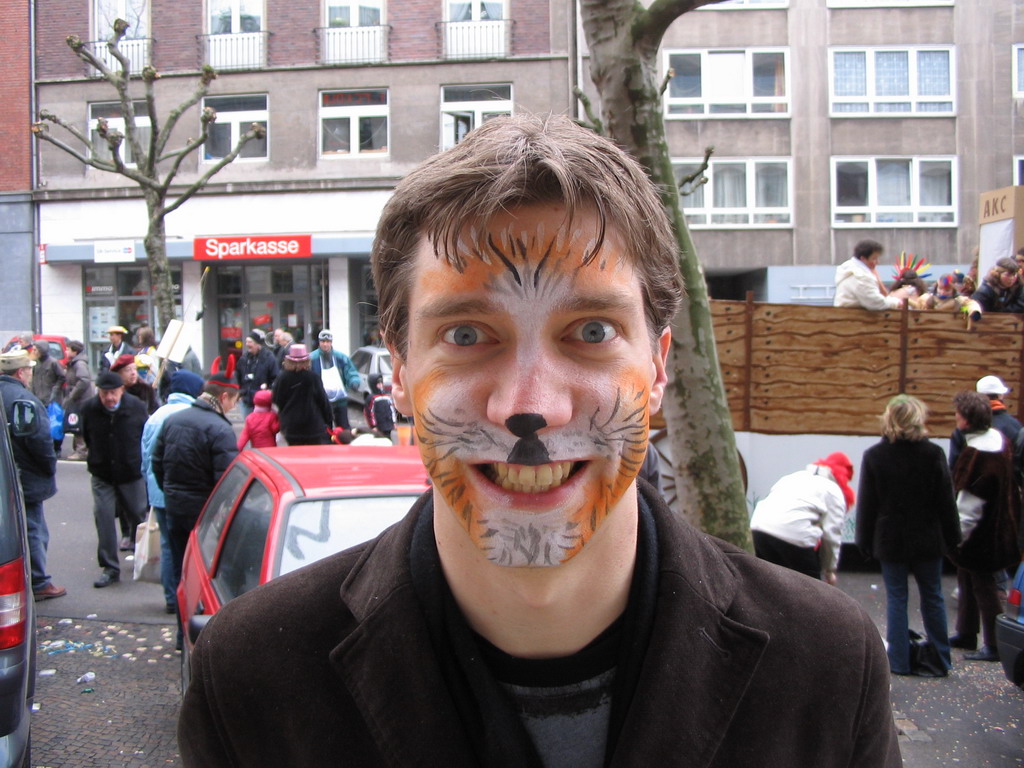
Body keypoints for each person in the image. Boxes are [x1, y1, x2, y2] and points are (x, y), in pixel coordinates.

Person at [179, 114, 900, 767]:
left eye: (591, 332)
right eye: (466, 334)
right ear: (399, 373)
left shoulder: (829, 665)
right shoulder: (250, 679)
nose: (531, 407)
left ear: (656, 368)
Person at [856, 395, 961, 676]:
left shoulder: (875, 456)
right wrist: (953, 538)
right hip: (928, 536)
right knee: (933, 596)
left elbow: (868, 504)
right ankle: (940, 659)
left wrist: (863, 543)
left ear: (889, 419)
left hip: (891, 539)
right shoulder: (934, 454)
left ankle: (899, 661)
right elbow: (946, 502)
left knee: (897, 599)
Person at [153, 373, 240, 647]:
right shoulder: (219, 428)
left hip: (176, 507)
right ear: (223, 397)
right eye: (234, 401)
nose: (234, 408)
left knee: (181, 569)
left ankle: (182, 635)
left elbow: (157, 462)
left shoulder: (173, 420)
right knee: (206, 577)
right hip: (205, 513)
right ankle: (204, 639)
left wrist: (171, 492)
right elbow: (226, 480)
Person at [948, 390, 1021, 662]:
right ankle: (966, 632)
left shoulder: (976, 455)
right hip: (1001, 525)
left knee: (984, 586)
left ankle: (993, 644)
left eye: (957, 414)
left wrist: (956, 537)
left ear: (965, 420)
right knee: (967, 578)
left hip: (982, 534)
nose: (955, 418)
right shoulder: (998, 440)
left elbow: (969, 505)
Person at [0, 350, 65, 601]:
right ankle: (38, 581)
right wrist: (49, 468)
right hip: (25, 478)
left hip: (7, 475)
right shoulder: (24, 400)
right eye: (29, 370)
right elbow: (41, 443)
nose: (30, 374)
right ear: (20, 373)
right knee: (34, 529)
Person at [140, 370, 205, 615]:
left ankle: (170, 597)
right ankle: (186, 595)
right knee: (189, 546)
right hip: (186, 492)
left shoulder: (156, 416)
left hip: (158, 490)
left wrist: (150, 484)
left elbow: (146, 456)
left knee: (168, 545)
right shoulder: (190, 416)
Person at [79, 370, 149, 588]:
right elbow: (88, 437)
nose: (109, 398)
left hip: (130, 472)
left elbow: (144, 437)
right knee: (104, 517)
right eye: (104, 393)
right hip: (103, 474)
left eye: (113, 393)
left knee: (138, 514)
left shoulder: (136, 406)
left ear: (122, 390)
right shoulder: (90, 408)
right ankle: (110, 567)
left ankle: (142, 559)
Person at [749, 452, 854, 583]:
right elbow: (831, 535)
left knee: (769, 586)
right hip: (794, 537)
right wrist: (829, 570)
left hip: (759, 529)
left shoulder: (793, 477)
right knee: (811, 591)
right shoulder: (833, 490)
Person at [948, 374, 1023, 472]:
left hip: (968, 485)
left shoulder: (965, 426)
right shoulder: (1015, 426)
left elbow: (954, 467)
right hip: (1004, 485)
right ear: (1001, 395)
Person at [272, 344, 332, 446]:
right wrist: (328, 422)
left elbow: (277, 400)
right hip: (313, 426)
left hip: (291, 427)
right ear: (307, 360)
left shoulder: (282, 378)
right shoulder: (313, 377)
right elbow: (323, 402)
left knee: (295, 456)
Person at [833, 239, 911, 310]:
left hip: (845, 316)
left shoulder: (848, 269)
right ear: (863, 258)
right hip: (855, 320)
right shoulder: (861, 277)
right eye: (874, 259)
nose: (877, 262)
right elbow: (876, 303)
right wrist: (897, 303)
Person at [310, 329, 361, 430]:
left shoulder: (341, 357)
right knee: (323, 429)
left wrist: (354, 382)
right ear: (319, 342)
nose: (325, 344)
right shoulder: (312, 358)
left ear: (331, 342)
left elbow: (350, 372)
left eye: (327, 342)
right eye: (323, 342)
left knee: (343, 428)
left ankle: (343, 444)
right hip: (320, 401)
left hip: (340, 400)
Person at [63, 340, 95, 461]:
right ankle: (80, 449)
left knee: (78, 425)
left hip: (81, 399)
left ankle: (81, 451)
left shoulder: (79, 364)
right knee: (77, 424)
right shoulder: (74, 363)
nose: (66, 351)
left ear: (75, 351)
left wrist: (72, 394)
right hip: (79, 399)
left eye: (68, 349)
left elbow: (84, 380)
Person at [234, 331, 278, 418]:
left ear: (257, 344)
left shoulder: (268, 357)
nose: (247, 344)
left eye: (250, 342)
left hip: (262, 401)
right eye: (246, 342)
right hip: (246, 400)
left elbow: (275, 377)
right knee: (248, 426)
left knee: (261, 427)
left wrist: (269, 390)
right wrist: (239, 393)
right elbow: (237, 376)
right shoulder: (244, 359)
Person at [362, 372, 395, 441]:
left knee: (389, 439)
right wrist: (373, 426)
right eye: (378, 384)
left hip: (388, 423)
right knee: (380, 439)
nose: (380, 385)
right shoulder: (372, 398)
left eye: (381, 383)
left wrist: (393, 421)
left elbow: (392, 409)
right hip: (379, 425)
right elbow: (369, 413)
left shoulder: (387, 396)